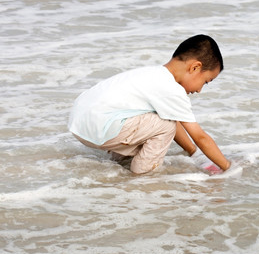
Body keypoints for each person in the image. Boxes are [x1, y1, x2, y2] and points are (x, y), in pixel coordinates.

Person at [68, 34, 231, 174]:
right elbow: (200, 137)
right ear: (195, 67)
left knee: (156, 120)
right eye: (206, 81)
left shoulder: (152, 74)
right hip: (102, 126)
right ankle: (142, 175)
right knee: (165, 125)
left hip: (81, 123)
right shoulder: (171, 89)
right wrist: (228, 167)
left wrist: (193, 152)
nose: (200, 90)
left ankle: (121, 162)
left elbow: (172, 119)